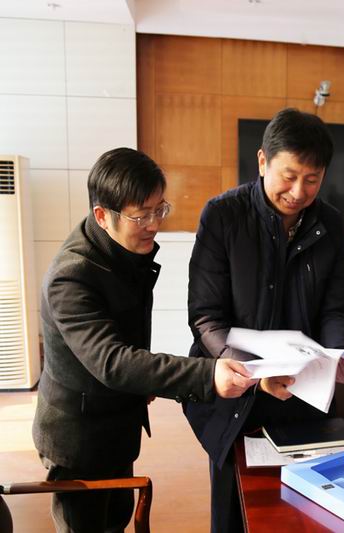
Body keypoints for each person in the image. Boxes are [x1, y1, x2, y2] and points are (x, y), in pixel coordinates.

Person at [32, 147, 257, 533]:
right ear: (102, 215)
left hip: (117, 423)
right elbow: (112, 361)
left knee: (116, 519)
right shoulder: (71, 277)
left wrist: (144, 382)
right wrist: (208, 374)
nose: (154, 224)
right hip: (79, 438)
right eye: (141, 215)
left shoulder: (121, 248)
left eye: (159, 209)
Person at [183, 108, 344, 532]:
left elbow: (335, 306)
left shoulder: (331, 224)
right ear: (262, 161)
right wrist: (255, 374)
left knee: (305, 514)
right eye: (289, 176)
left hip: (304, 392)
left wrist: (339, 352)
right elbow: (206, 318)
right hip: (236, 392)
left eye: (312, 180)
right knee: (237, 510)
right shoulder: (223, 215)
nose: (298, 192)